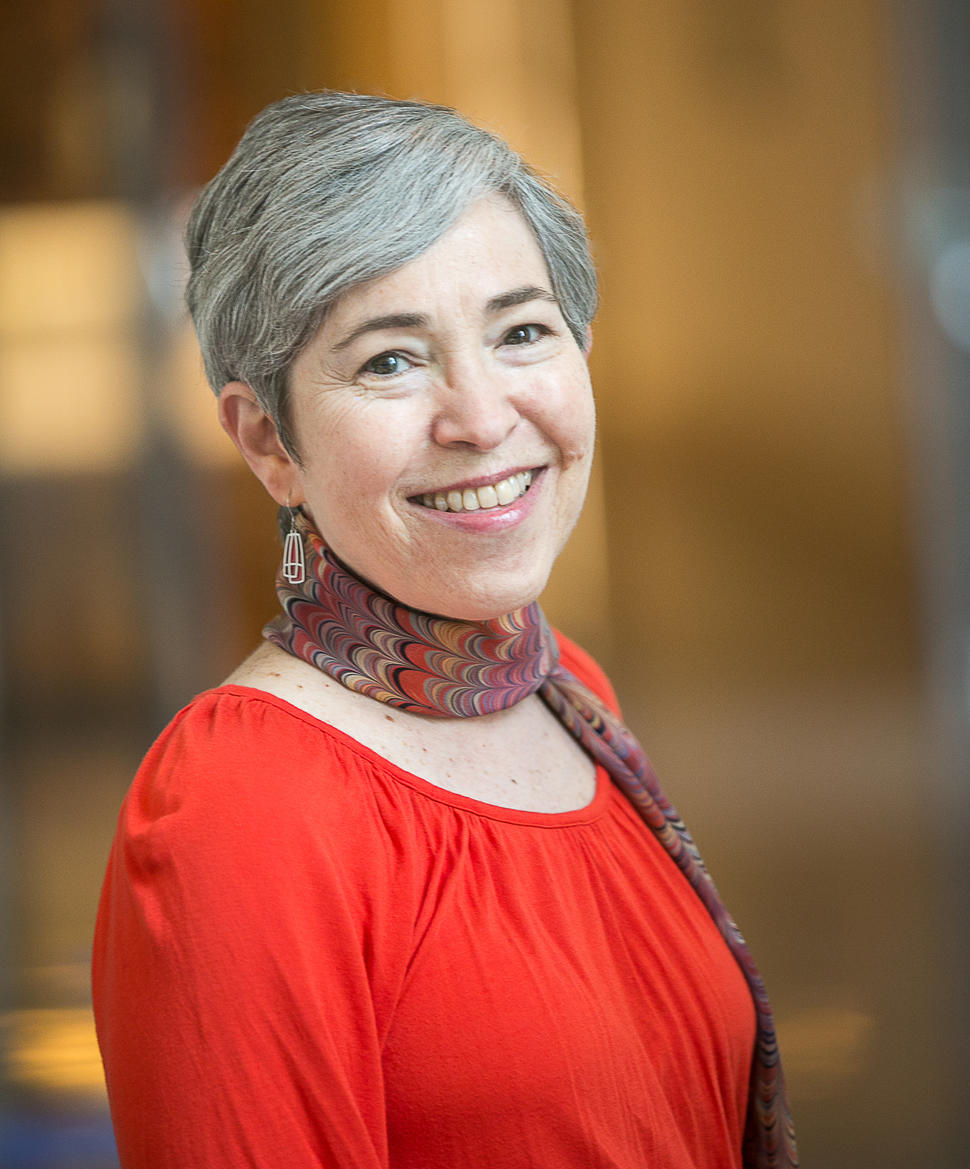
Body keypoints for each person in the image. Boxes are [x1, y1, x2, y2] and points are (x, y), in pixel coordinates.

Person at [92, 91, 797, 1169]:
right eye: (390, 360)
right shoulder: (241, 807)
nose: (481, 418)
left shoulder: (566, 693)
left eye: (521, 332)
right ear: (269, 441)